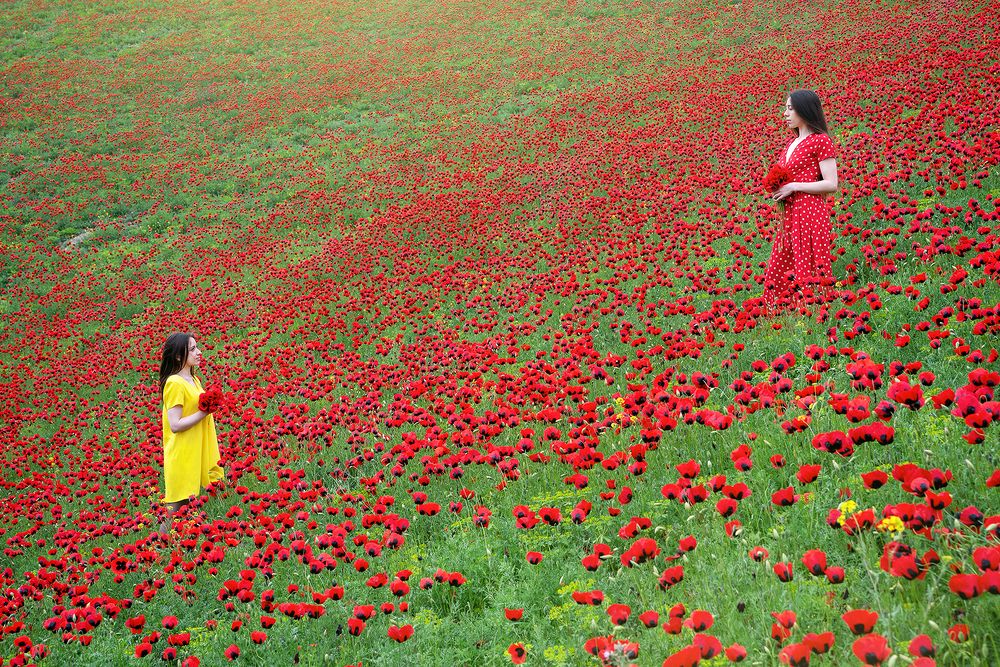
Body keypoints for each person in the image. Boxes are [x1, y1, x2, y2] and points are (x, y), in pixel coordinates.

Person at [762, 89, 839, 310]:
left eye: (790, 108)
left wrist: (795, 186)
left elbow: (831, 184)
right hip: (789, 213)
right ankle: (780, 314)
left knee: (808, 264)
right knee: (780, 264)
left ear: (804, 110)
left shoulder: (821, 141)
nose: (785, 114)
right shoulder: (792, 143)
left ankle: (813, 312)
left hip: (809, 212)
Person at [157, 332, 224, 536]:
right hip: (183, 454)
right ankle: (157, 546)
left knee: (189, 507)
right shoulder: (174, 383)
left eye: (197, 347)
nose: (199, 352)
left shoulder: (193, 379)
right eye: (193, 349)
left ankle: (176, 544)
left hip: (196, 449)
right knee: (175, 508)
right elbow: (175, 424)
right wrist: (204, 412)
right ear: (179, 356)